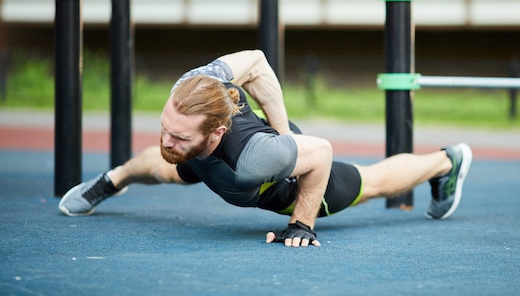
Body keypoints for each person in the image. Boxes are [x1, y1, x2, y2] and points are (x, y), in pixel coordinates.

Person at [58, 49, 473, 248]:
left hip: (282, 185)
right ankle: (111, 180)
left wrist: (302, 224)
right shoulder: (194, 85)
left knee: (375, 181)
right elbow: (255, 61)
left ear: (216, 133)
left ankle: (445, 161)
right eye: (166, 127)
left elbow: (323, 151)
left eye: (181, 136)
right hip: (234, 156)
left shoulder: (254, 160)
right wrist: (280, 128)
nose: (167, 138)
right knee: (166, 164)